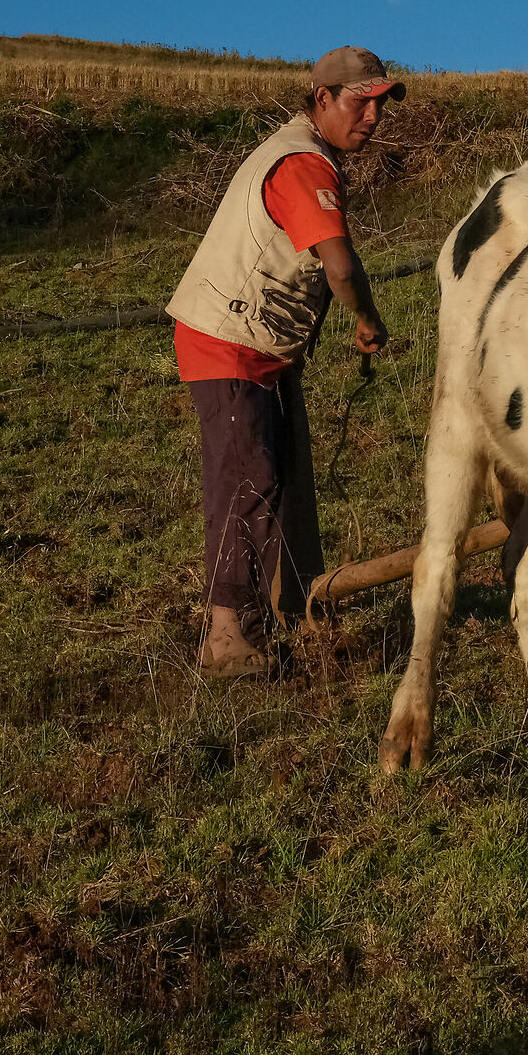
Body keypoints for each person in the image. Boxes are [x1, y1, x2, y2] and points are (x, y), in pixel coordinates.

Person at [167, 46, 400, 675]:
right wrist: (367, 318)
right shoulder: (303, 165)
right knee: (247, 479)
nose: (374, 118)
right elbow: (340, 264)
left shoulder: (303, 153)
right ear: (323, 98)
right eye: (362, 102)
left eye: (381, 104)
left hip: (257, 345)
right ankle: (226, 637)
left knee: (275, 474)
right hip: (230, 341)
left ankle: (288, 606)